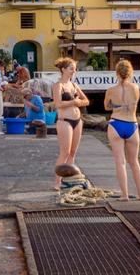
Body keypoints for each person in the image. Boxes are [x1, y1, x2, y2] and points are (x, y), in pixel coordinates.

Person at [105, 60, 140, 202]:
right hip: (131, 124)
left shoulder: (111, 90)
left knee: (120, 162)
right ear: (130, 73)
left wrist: (115, 105)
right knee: (134, 162)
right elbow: (134, 103)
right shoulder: (135, 87)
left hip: (116, 123)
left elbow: (106, 106)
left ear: (117, 73)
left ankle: (125, 195)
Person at [51, 57, 89, 190]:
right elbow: (58, 104)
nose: (74, 71)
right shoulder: (58, 86)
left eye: (75, 69)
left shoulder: (74, 86)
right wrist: (74, 102)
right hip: (64, 121)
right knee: (65, 152)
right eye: (71, 68)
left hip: (77, 121)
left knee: (73, 152)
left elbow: (86, 101)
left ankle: (68, 180)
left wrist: (79, 102)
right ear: (63, 70)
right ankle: (57, 181)